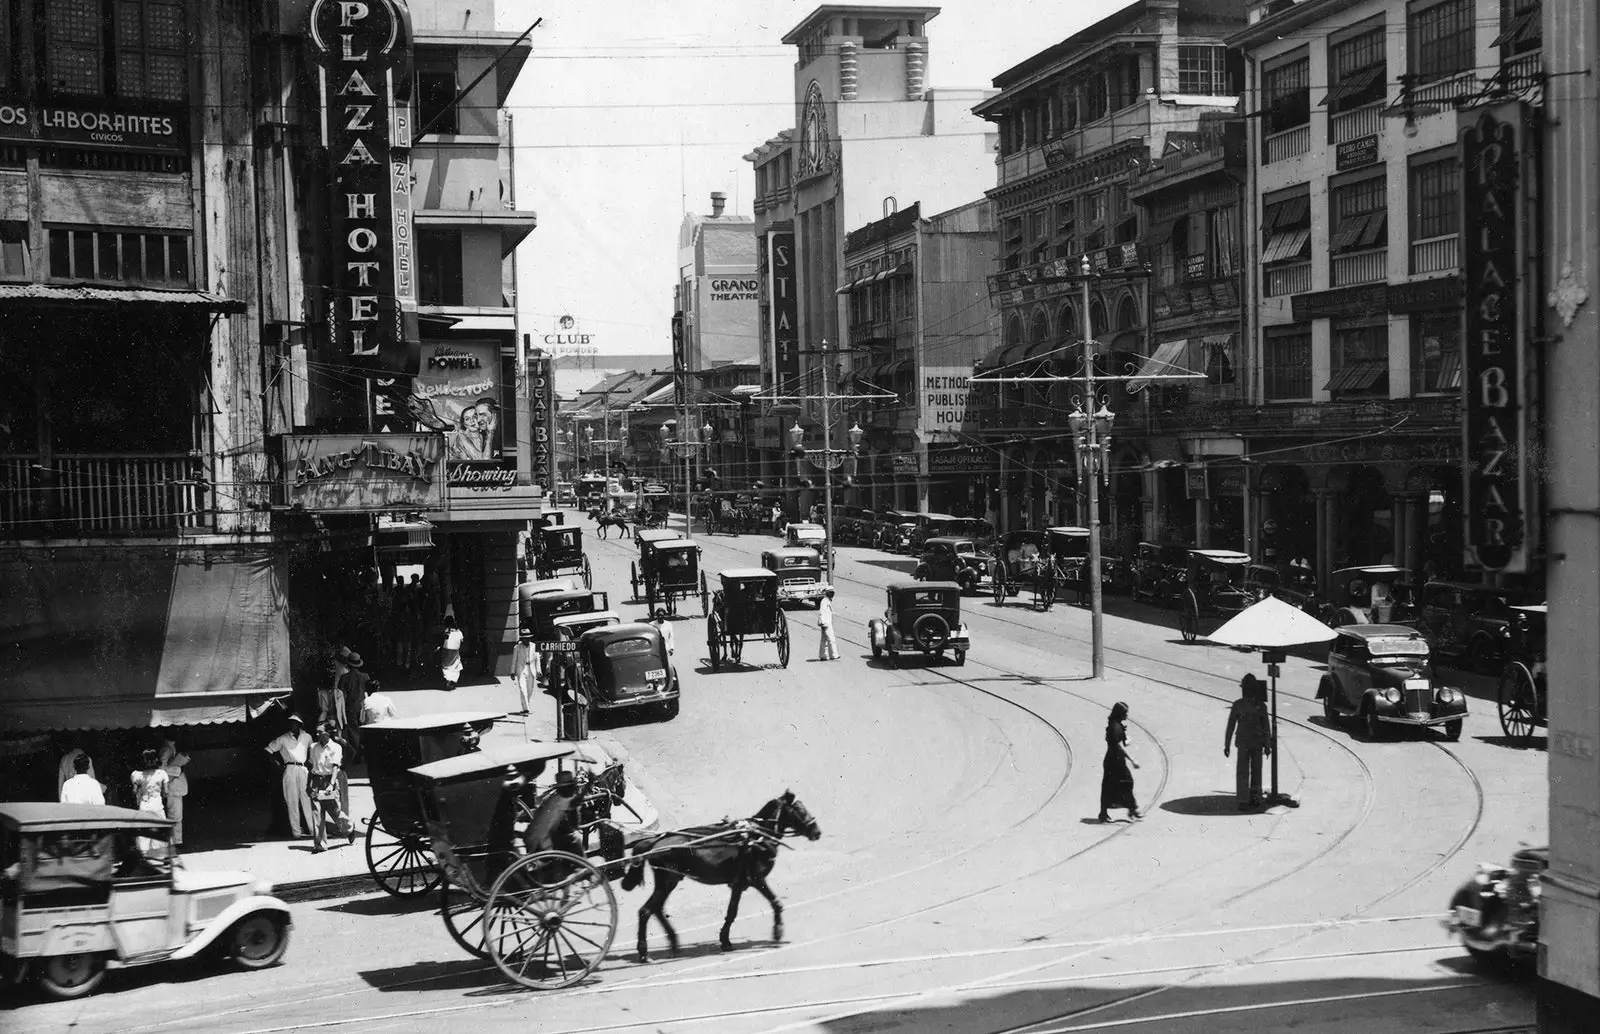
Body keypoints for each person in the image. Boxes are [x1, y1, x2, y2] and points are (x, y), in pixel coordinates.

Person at [1224, 675, 1273, 810]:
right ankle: (1251, 799)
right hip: (1252, 743)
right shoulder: (1259, 706)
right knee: (1253, 771)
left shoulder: (1239, 705)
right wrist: (1267, 745)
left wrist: (1227, 744)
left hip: (1247, 743)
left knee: (1245, 772)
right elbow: (1266, 728)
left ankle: (1245, 799)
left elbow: (1265, 727)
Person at [265, 715, 315, 839]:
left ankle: (314, 830)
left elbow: (312, 750)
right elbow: (268, 751)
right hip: (290, 769)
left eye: (294, 723)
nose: (292, 725)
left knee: (307, 799)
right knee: (292, 801)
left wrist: (310, 763)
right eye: (290, 723)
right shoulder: (283, 739)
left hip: (303, 769)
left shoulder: (307, 737)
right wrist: (279, 766)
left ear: (299, 724)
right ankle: (296, 832)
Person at [306, 723, 353, 853]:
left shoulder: (335, 747)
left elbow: (335, 767)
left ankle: (349, 828)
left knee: (336, 812)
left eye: (319, 732)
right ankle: (320, 844)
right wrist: (308, 785)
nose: (316, 735)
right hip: (316, 783)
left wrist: (331, 784)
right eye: (316, 732)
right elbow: (311, 767)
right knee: (317, 814)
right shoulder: (313, 747)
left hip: (328, 782)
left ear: (326, 733)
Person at [1098, 701, 1142, 823]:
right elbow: (1118, 746)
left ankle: (1131, 809)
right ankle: (1130, 810)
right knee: (1118, 785)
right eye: (1125, 713)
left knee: (1120, 784)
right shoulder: (1115, 727)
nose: (1127, 715)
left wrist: (1126, 740)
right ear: (1120, 714)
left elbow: (1121, 742)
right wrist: (1132, 760)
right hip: (1114, 761)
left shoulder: (1116, 725)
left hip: (1116, 759)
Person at [131, 748, 170, 857]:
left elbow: (134, 792)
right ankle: (162, 855)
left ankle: (144, 855)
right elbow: (165, 792)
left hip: (144, 805)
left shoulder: (138, 775)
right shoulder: (162, 774)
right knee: (161, 829)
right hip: (157, 804)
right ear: (156, 759)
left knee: (144, 831)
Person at [158, 738, 191, 846]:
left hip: (175, 789)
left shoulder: (171, 747)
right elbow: (162, 768)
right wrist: (179, 770)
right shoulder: (167, 749)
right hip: (173, 789)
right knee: (175, 816)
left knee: (176, 816)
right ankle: (176, 842)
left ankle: (175, 841)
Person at [511, 637, 536, 715]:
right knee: (522, 688)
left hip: (531, 669)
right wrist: (512, 672)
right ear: (522, 639)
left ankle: (526, 706)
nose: (527, 640)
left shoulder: (534, 646)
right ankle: (526, 709)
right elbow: (514, 659)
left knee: (530, 690)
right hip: (521, 669)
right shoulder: (517, 647)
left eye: (528, 638)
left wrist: (539, 670)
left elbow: (537, 658)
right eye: (525, 638)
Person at [440, 615, 465, 688]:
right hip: (455, 651)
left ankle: (448, 679)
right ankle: (452, 680)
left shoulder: (446, 631)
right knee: (455, 665)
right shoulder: (459, 631)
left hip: (446, 650)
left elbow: (443, 640)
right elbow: (462, 640)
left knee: (446, 666)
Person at [817, 588, 840, 661]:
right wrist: (823, 622)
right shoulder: (824, 601)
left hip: (826, 622)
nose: (833, 595)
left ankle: (823, 655)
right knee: (831, 639)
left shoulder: (826, 601)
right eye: (831, 593)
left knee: (824, 640)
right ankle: (834, 655)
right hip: (826, 623)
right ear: (828, 593)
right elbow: (822, 612)